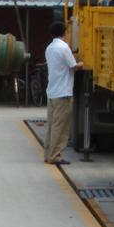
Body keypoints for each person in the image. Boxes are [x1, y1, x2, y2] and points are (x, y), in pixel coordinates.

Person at [43, 21, 83, 165]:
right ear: (65, 32)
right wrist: (84, 62)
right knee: (60, 127)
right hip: (63, 94)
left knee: (52, 126)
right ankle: (54, 156)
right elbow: (73, 66)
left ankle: (48, 154)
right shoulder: (64, 47)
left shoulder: (49, 48)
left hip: (52, 92)